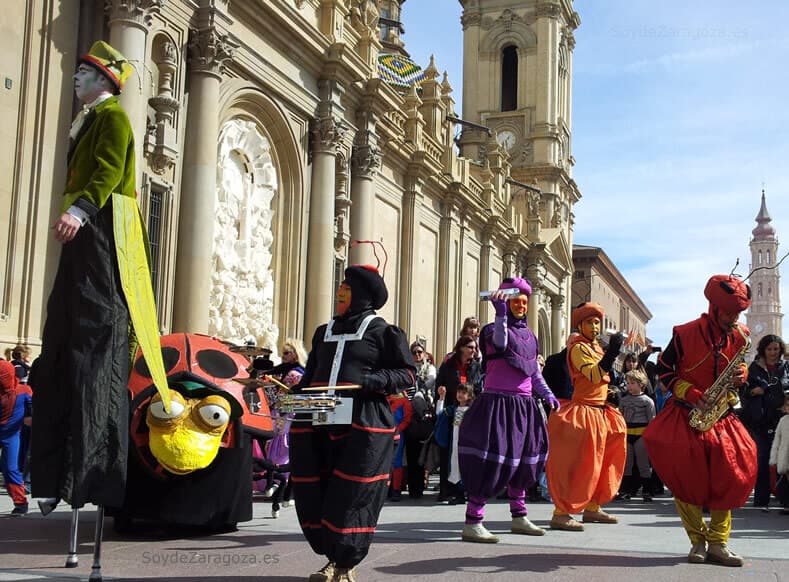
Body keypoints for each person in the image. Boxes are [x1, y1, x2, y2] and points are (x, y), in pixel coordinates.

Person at [29, 41, 168, 515]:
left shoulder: (112, 118)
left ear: (105, 81)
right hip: (85, 238)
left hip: (105, 229)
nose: (76, 79)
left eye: (85, 73)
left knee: (93, 335)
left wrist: (81, 210)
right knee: (61, 339)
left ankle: (90, 475)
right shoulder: (88, 119)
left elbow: (108, 170)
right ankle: (51, 477)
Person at [289, 264, 416, 582]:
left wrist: (374, 380)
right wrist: (291, 391)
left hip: (363, 422)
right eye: (341, 285)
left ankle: (342, 563)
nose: (340, 290)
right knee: (320, 484)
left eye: (346, 286)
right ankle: (333, 555)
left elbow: (407, 374)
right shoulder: (324, 331)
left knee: (352, 493)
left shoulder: (383, 331)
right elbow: (312, 375)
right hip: (319, 416)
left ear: (362, 294)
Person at [643, 274, 757, 567]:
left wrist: (741, 375)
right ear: (713, 307)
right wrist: (691, 392)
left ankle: (719, 543)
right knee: (686, 478)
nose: (734, 318)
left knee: (731, 473)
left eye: (738, 313)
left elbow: (740, 367)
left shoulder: (740, 335)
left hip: (722, 415)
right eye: (730, 312)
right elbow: (665, 372)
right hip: (685, 413)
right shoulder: (684, 333)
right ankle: (697, 540)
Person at [458, 277, 560, 543]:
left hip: (525, 407)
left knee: (526, 461)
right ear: (505, 301)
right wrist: (500, 314)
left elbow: (534, 373)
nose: (521, 306)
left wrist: (548, 394)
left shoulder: (530, 336)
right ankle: (473, 520)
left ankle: (519, 516)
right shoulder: (492, 330)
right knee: (491, 461)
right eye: (516, 301)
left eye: (525, 302)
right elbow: (501, 345)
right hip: (498, 405)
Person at [545, 302, 627, 531]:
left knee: (602, 461)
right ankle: (561, 512)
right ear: (580, 324)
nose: (595, 326)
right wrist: (612, 352)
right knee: (579, 463)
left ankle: (592, 507)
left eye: (597, 322)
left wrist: (612, 393)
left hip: (601, 411)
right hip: (583, 413)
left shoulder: (596, 347)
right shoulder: (578, 347)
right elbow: (592, 375)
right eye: (590, 322)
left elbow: (603, 379)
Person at [740, 334, 789, 510]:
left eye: (776, 349)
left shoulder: (785, 367)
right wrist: (753, 392)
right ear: (763, 350)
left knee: (782, 460)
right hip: (759, 421)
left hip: (780, 420)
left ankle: (785, 500)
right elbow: (743, 390)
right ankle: (761, 500)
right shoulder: (752, 368)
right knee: (762, 459)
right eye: (769, 349)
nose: (773, 353)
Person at [434, 334, 482, 501]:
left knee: (465, 452)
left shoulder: (476, 366)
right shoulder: (448, 365)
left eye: (475, 348)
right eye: (471, 347)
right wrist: (441, 399)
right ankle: (445, 490)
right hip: (451, 411)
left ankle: (464, 490)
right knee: (447, 451)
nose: (474, 351)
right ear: (461, 347)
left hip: (469, 412)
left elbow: (478, 388)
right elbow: (439, 384)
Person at [618, 368, 656, 501]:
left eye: (632, 383)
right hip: (627, 434)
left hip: (641, 435)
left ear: (641, 384)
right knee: (627, 464)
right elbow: (620, 418)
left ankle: (647, 490)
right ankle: (625, 490)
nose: (629, 386)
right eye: (627, 383)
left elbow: (652, 420)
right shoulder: (624, 400)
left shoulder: (647, 401)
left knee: (643, 464)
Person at [1, 360, 32, 515]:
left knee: (11, 468)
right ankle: (20, 503)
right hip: (11, 433)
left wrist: (31, 417)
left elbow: (33, 406)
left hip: (11, 434)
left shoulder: (24, 390)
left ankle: (20, 503)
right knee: (10, 468)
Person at [435, 382, 473, 505]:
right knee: (455, 467)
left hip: (468, 445)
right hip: (455, 445)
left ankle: (470, 494)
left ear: (470, 396)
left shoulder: (473, 411)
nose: (460, 395)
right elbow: (439, 414)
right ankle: (459, 495)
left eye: (464, 393)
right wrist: (442, 397)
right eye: (459, 392)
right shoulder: (454, 409)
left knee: (468, 468)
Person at [769, 394, 789, 514]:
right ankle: (787, 505)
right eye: (787, 405)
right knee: (785, 483)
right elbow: (777, 439)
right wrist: (774, 457)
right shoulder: (783, 421)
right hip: (784, 456)